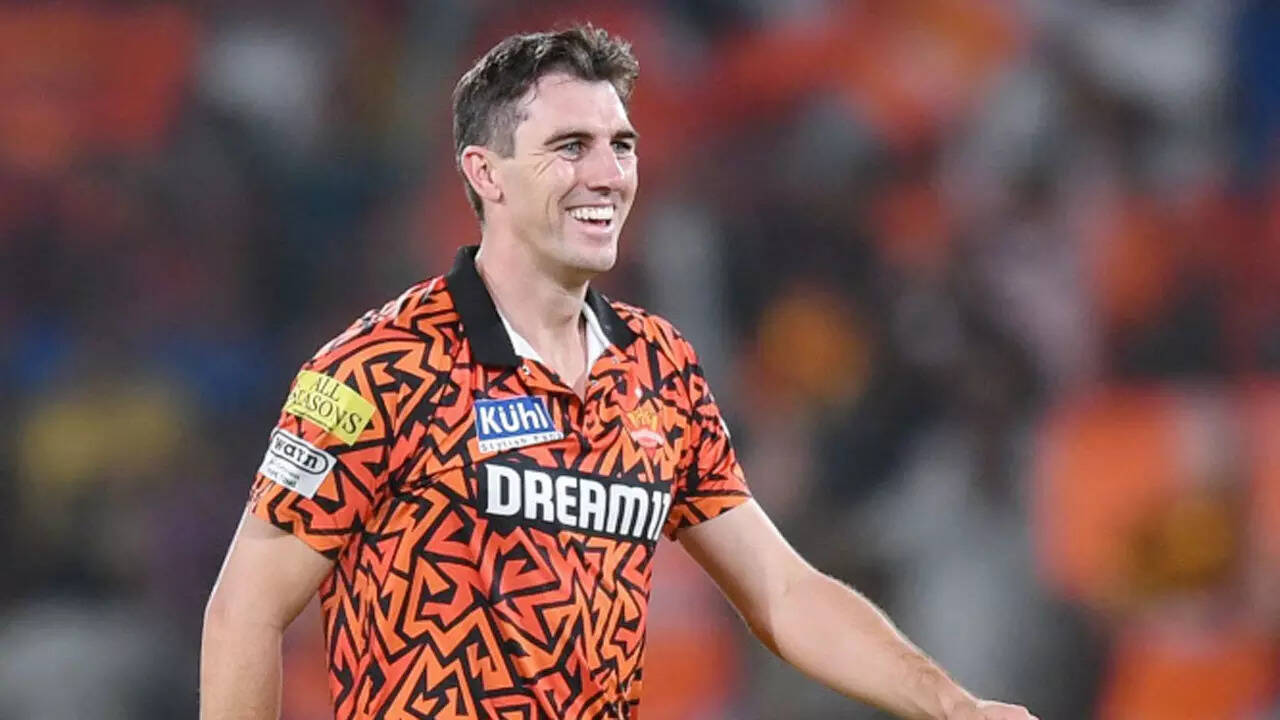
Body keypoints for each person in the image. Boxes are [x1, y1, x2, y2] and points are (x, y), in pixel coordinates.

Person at [200, 24, 1038, 720]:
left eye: (621, 146)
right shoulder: (380, 367)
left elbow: (784, 594)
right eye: (571, 147)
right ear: (485, 173)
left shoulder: (658, 367)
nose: (608, 174)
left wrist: (953, 705)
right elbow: (246, 608)